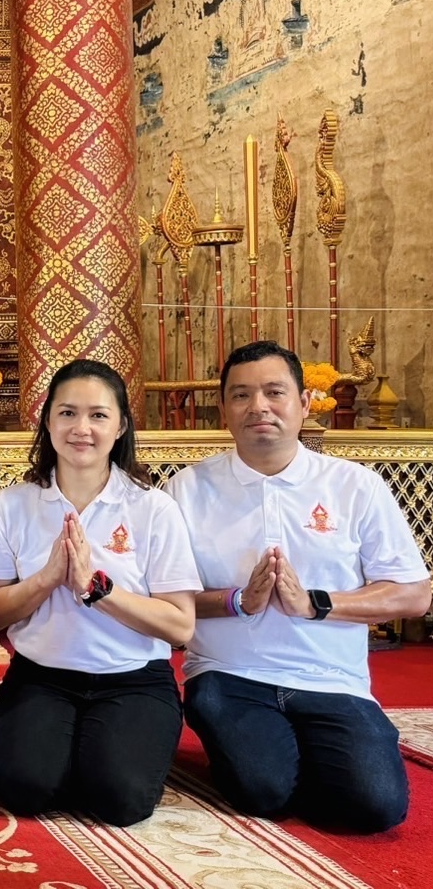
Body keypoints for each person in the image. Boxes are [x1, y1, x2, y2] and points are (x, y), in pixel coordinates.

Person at [166, 341, 430, 833]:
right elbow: (166, 599)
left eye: (274, 392)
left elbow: (414, 593)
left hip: (331, 677)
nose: (258, 407)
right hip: (229, 674)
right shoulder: (187, 489)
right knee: (261, 791)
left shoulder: (355, 486)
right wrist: (237, 601)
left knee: (376, 808)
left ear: (305, 403)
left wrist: (316, 604)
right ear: (223, 409)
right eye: (241, 395)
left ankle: (338, 747)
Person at [0, 360, 199, 826]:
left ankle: (103, 752)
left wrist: (96, 588)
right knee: (26, 791)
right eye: (67, 413)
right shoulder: (12, 506)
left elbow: (180, 625)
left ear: (121, 425)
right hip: (41, 676)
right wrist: (46, 579)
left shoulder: (152, 508)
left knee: (120, 802)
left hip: (133, 676)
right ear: (47, 420)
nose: (82, 428)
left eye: (98, 415)